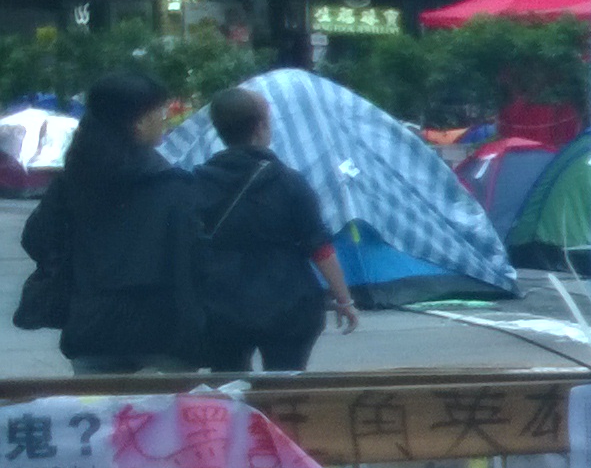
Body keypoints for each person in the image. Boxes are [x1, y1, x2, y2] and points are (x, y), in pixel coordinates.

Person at [14, 71, 202, 375]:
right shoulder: (172, 186)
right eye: (160, 113)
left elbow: (36, 238)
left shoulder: (74, 182)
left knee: (98, 419)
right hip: (163, 332)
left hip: (93, 326)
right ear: (139, 123)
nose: (164, 120)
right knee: (161, 421)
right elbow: (193, 257)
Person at [186, 85, 358, 371]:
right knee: (285, 389)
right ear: (260, 126)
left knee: (230, 390)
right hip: (288, 307)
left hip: (220, 306)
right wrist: (344, 299)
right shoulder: (289, 182)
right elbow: (320, 249)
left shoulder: (196, 183)